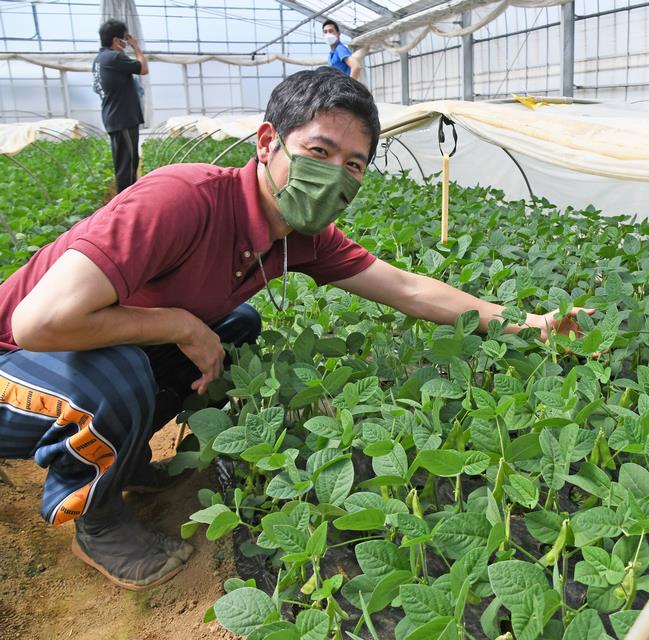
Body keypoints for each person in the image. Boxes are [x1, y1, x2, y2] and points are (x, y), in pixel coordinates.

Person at [0, 68, 590, 590]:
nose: (335, 176)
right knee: (130, 368)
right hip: (13, 366)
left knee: (235, 326)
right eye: (319, 151)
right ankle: (95, 519)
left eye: (353, 165)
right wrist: (181, 323)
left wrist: (529, 324)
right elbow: (38, 323)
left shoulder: (300, 237)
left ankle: (120, 461)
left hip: (66, 355)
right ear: (267, 142)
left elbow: (409, 289)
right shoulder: (182, 199)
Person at [93, 19, 149, 194]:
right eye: (125, 39)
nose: (126, 42)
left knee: (124, 163)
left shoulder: (99, 60)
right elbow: (143, 68)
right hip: (123, 119)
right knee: (128, 166)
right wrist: (136, 47)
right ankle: (125, 206)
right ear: (117, 40)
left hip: (115, 118)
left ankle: (125, 203)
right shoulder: (114, 57)